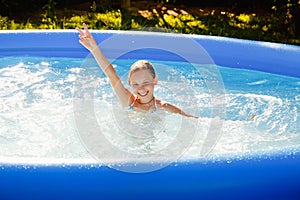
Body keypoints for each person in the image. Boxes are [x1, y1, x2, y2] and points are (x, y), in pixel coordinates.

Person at [76, 23, 198, 118]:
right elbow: (111, 74)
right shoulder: (129, 102)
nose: (141, 89)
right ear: (130, 84)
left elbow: (191, 119)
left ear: (155, 80)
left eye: (145, 83)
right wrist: (94, 48)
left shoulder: (163, 107)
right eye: (136, 84)